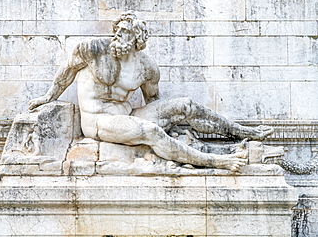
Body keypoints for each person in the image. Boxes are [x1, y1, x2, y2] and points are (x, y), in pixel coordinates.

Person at [29, 11, 274, 172]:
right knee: (151, 131)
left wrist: (172, 119)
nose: (118, 35)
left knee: (185, 106)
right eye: (118, 29)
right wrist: (48, 97)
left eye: (125, 32)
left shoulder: (146, 68)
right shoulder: (92, 49)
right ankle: (218, 162)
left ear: (138, 39)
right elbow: (66, 71)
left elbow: (153, 101)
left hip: (129, 114)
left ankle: (243, 132)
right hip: (97, 120)